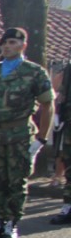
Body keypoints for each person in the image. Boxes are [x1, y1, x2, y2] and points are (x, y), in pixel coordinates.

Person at [0, 27, 53, 238]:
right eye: (5, 43)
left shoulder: (34, 71)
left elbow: (48, 105)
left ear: (23, 45)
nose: (7, 46)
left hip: (20, 132)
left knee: (16, 181)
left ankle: (12, 224)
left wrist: (41, 139)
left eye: (12, 42)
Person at [51, 59, 71, 225]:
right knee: (69, 166)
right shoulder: (68, 70)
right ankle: (68, 206)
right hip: (69, 124)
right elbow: (60, 93)